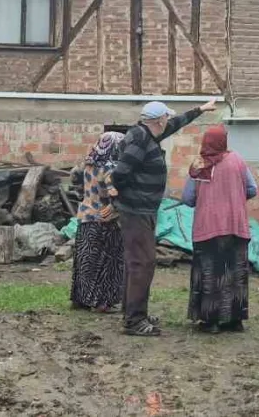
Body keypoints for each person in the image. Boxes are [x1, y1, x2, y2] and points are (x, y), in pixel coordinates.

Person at [111, 99, 216, 336]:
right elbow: (120, 173)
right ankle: (134, 321)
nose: (169, 120)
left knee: (136, 262)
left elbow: (176, 124)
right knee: (143, 263)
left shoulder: (147, 134)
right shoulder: (140, 140)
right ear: (159, 120)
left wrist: (199, 110)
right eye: (166, 117)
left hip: (140, 210)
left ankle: (132, 311)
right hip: (136, 211)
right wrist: (126, 196)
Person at [181, 125, 257, 333]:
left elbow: (187, 199)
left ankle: (211, 321)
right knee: (235, 272)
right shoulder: (238, 161)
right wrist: (234, 198)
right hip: (235, 225)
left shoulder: (199, 165)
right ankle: (235, 320)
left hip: (208, 227)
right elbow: (252, 189)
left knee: (210, 273)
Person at [69, 131, 126, 313]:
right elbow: (113, 194)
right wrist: (118, 206)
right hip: (104, 220)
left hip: (85, 216)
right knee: (108, 262)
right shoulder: (110, 168)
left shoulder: (87, 164)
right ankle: (103, 302)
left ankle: (82, 299)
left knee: (86, 261)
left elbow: (75, 181)